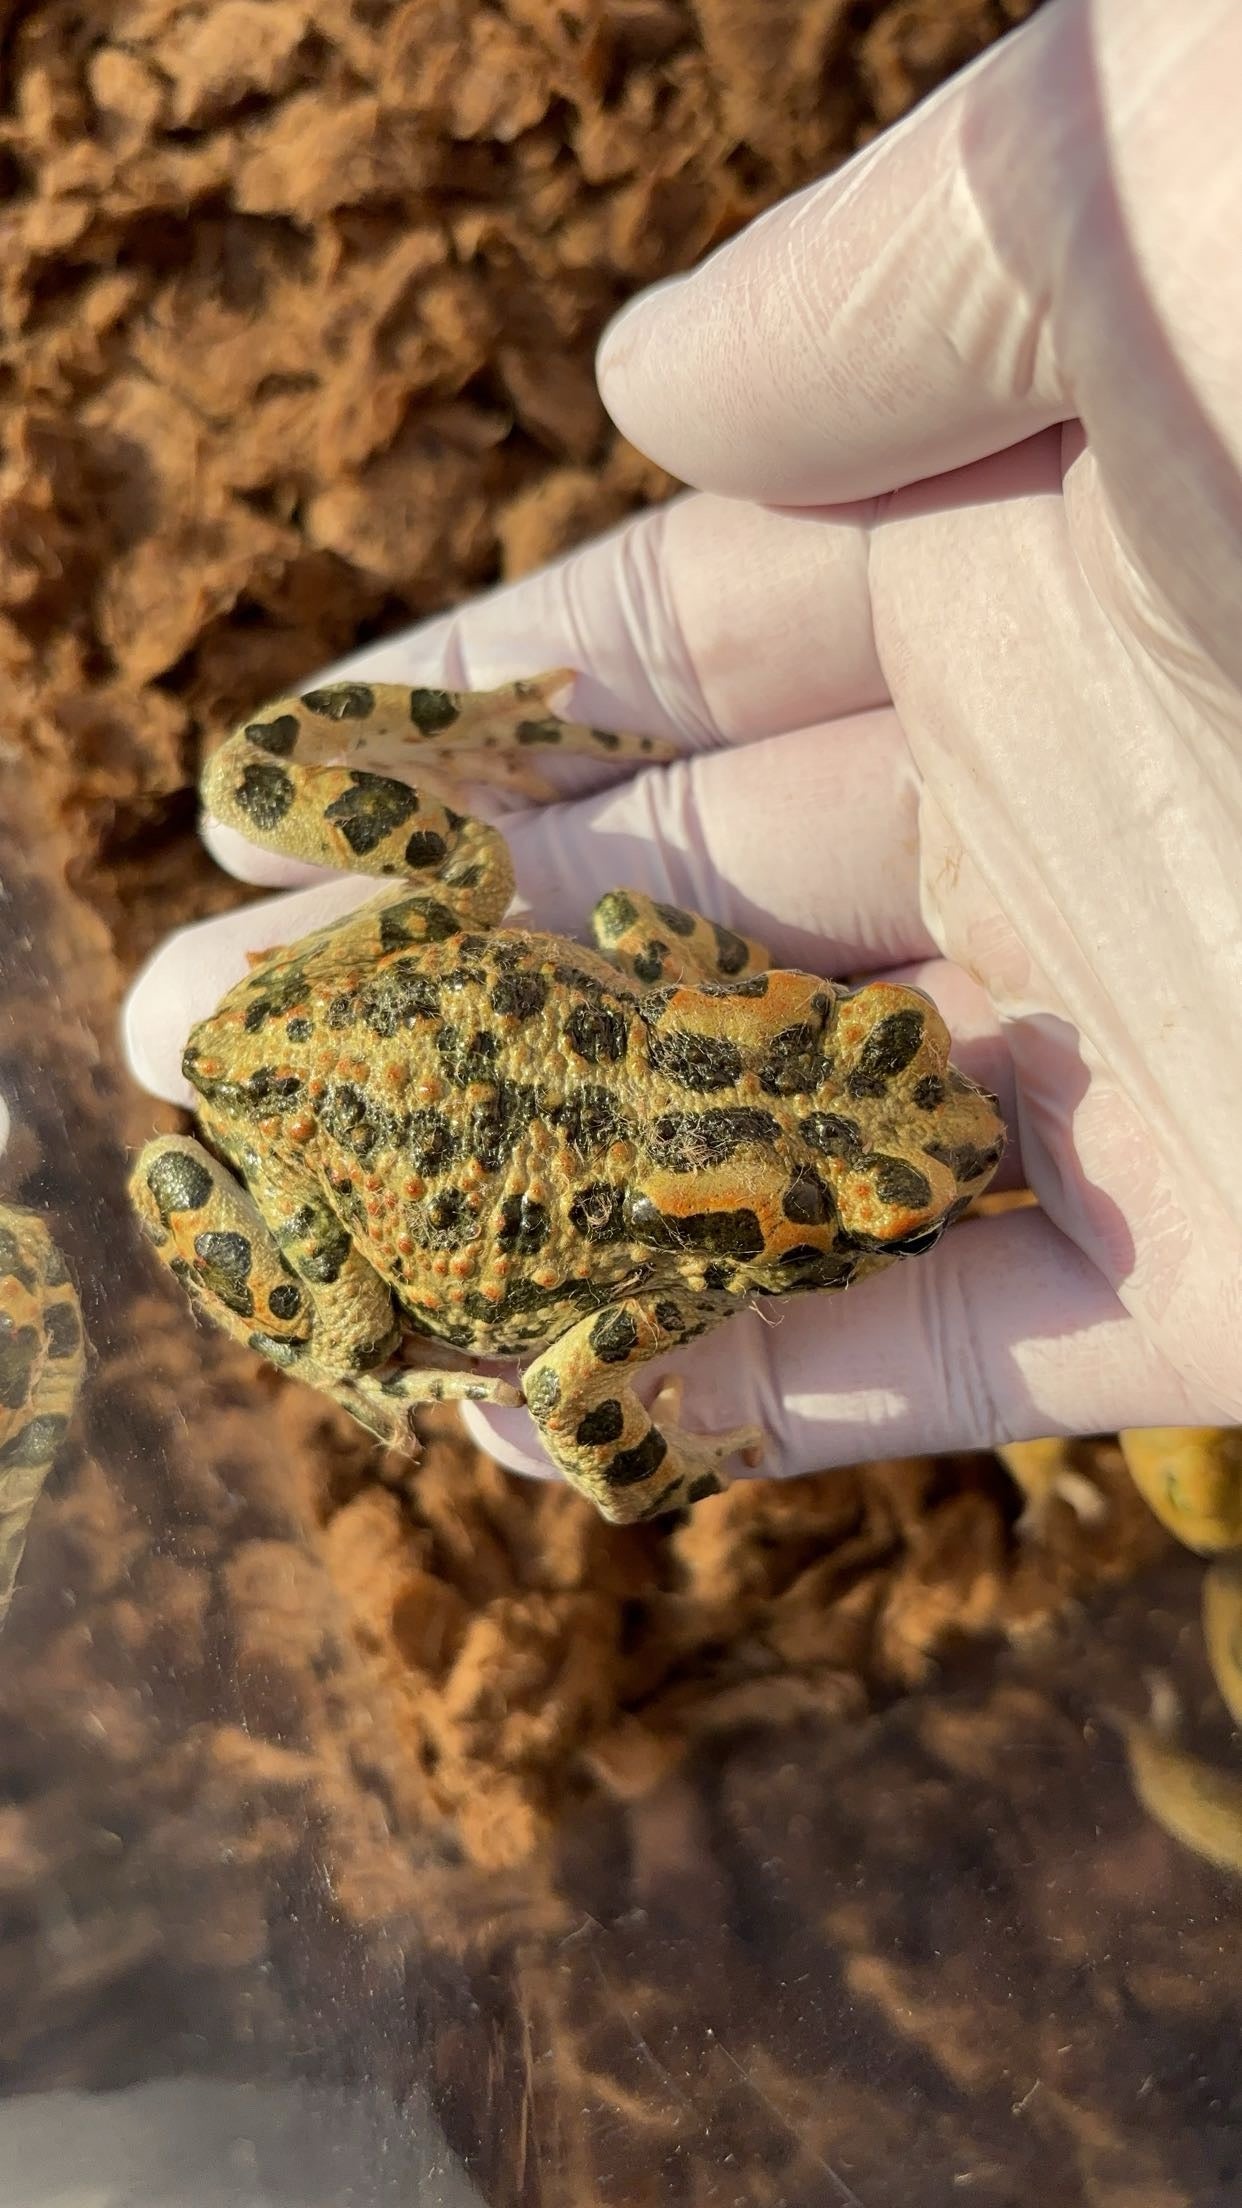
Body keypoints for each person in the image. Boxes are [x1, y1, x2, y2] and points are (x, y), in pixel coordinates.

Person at [123, 0, 1242, 1490]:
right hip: (334, 1118)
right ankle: (320, 1328)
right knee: (342, 1309)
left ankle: (421, 742)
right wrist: (654, 1480)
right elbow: (581, 1398)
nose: (962, 1092)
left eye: (886, 1040)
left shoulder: (683, 1033)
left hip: (396, 1019)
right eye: (880, 1035)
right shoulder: (672, 1240)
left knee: (456, 866)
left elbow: (626, 943)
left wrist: (644, 1456)